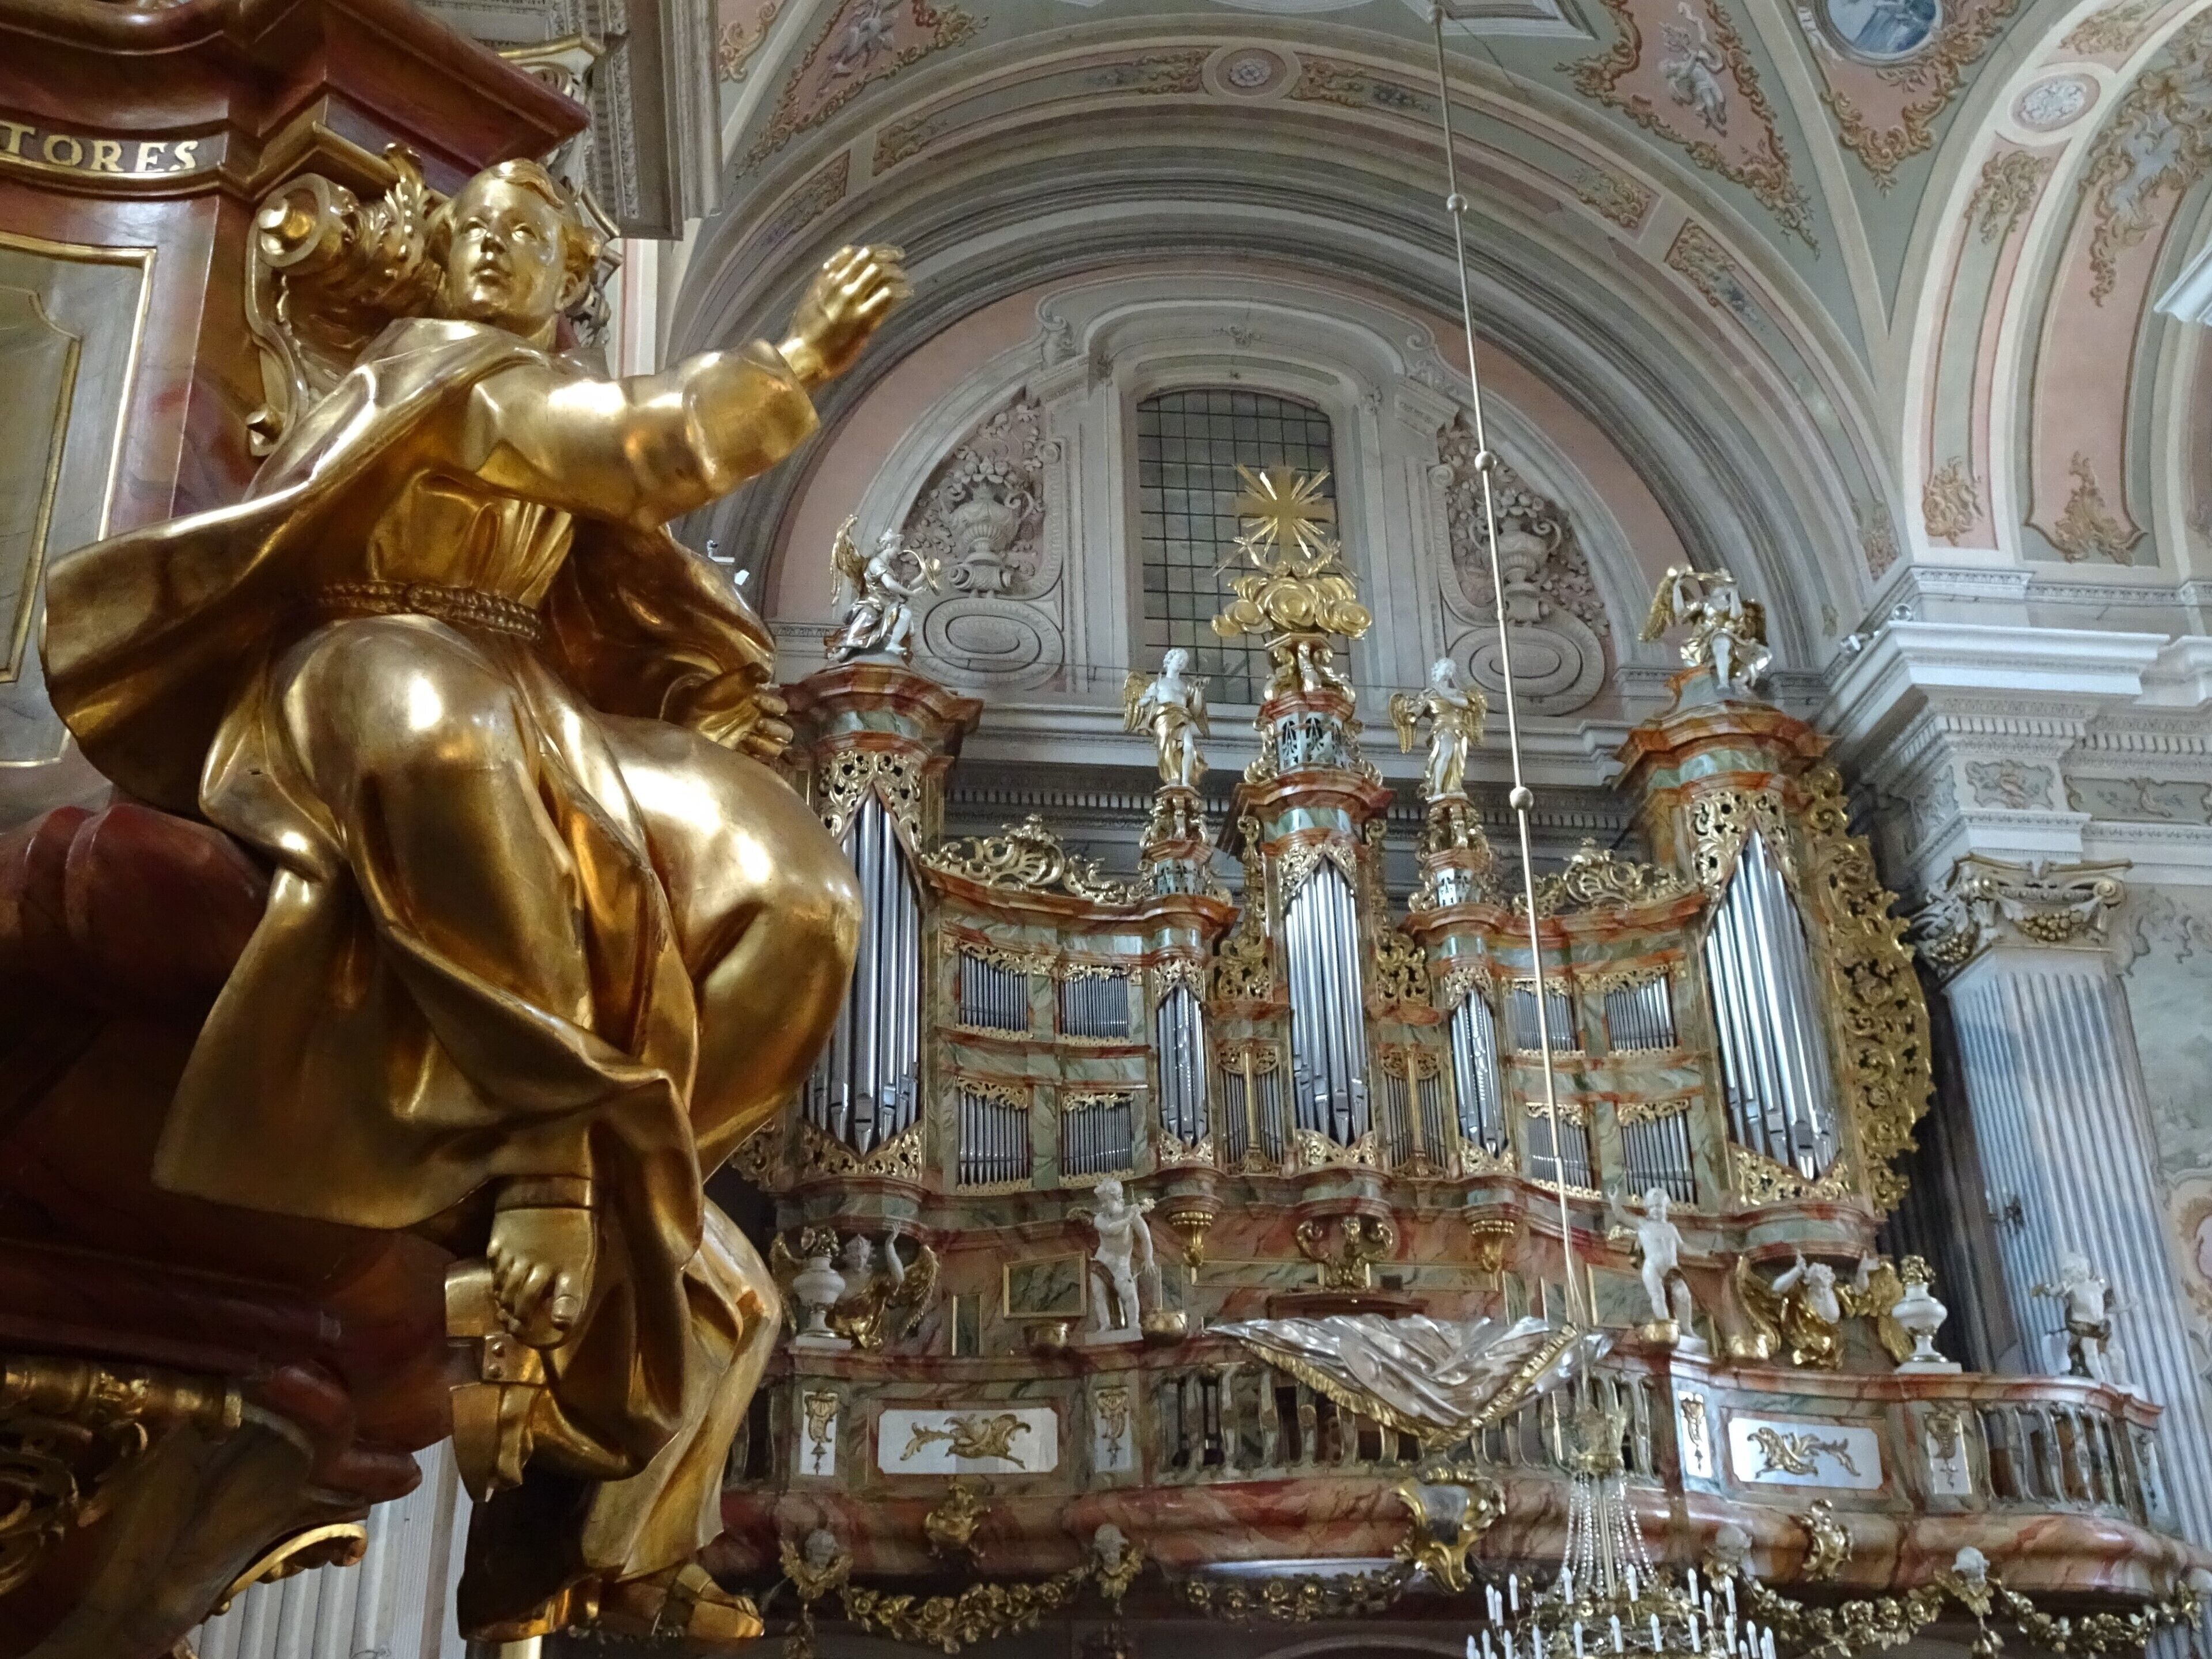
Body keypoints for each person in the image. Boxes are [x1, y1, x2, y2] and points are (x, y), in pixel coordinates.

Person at [41, 158, 907, 1642]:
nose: (496, 251)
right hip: (365, 661)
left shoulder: (528, 379)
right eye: (480, 231)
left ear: (570, 283)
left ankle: (637, 1194)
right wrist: (792, 364)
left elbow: (611, 503)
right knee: (445, 735)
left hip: (526, 686)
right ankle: (549, 1155)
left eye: (530, 241)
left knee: (794, 880)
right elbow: (625, 444)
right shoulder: (434, 372)